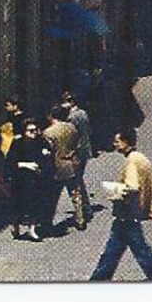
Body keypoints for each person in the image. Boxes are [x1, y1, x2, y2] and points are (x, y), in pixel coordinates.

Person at [89, 127, 152, 281]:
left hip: (128, 212)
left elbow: (132, 186)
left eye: (117, 142)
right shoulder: (141, 158)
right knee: (115, 249)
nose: (115, 145)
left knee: (139, 250)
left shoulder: (132, 161)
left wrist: (116, 191)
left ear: (126, 142)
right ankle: (99, 278)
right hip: (133, 213)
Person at [5, 116, 53, 242]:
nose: (34, 133)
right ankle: (16, 227)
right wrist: (26, 165)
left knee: (35, 204)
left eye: (35, 130)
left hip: (35, 178)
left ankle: (32, 229)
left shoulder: (41, 141)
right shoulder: (17, 143)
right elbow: (10, 162)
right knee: (17, 204)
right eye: (30, 131)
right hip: (20, 179)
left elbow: (48, 155)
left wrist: (46, 154)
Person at [45, 104, 87, 232]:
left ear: (51, 116)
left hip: (57, 165)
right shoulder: (72, 128)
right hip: (72, 162)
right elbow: (77, 144)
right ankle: (80, 219)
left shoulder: (49, 132)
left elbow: (49, 150)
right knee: (75, 193)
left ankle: (48, 221)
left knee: (53, 195)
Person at [63, 90, 96, 220]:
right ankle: (85, 207)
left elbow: (71, 135)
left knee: (76, 181)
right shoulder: (83, 113)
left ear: (70, 102)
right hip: (86, 150)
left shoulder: (71, 117)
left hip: (77, 151)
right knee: (79, 179)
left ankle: (84, 208)